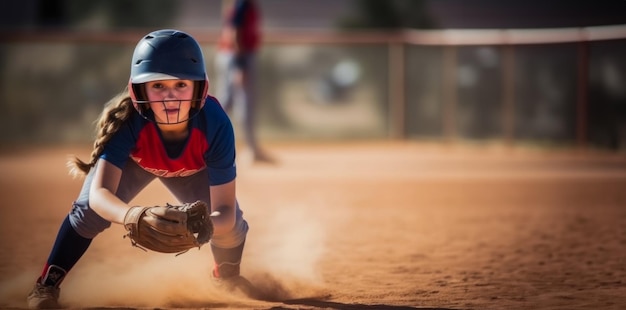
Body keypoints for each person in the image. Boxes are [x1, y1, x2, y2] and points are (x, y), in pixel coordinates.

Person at [26, 29, 249, 309]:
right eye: (157, 86)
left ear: (199, 88)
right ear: (139, 90)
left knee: (231, 227)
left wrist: (202, 226)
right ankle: (45, 285)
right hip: (137, 162)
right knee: (86, 213)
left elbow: (225, 212)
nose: (170, 96)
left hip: (193, 170)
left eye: (181, 84)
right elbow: (100, 195)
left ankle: (227, 279)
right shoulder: (129, 122)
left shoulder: (216, 124)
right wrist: (131, 215)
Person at [215, 0, 274, 163]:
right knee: (244, 102)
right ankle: (251, 149)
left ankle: (207, 145)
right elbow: (234, 32)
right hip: (239, 57)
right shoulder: (242, 4)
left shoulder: (240, 4)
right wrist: (239, 65)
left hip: (232, 56)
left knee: (225, 102)